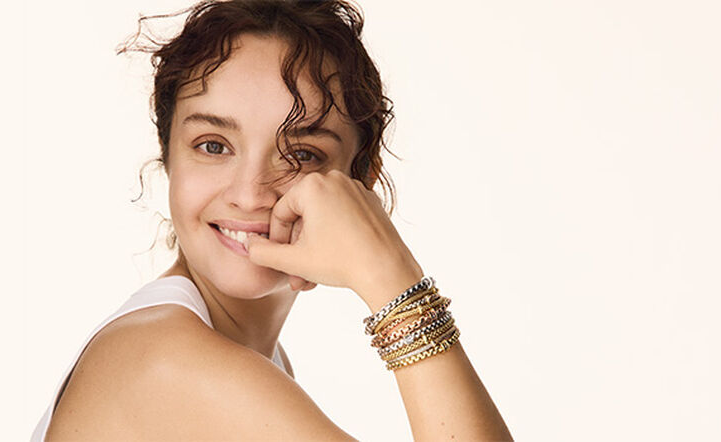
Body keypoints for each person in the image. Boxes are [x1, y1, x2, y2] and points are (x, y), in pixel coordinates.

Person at [32, 1, 512, 440]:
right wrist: (390, 278)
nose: (249, 194)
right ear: (168, 157)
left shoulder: (245, 353)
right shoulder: (167, 359)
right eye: (213, 146)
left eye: (299, 153)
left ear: (360, 180)